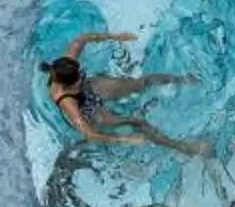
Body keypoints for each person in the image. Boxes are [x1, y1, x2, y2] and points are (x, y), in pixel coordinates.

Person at [41, 30, 207, 155]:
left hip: (91, 87)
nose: (81, 78)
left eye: (81, 75)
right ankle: (185, 147)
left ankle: (182, 79)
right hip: (88, 110)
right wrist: (124, 140)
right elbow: (90, 134)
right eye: (78, 81)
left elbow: (82, 38)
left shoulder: (68, 62)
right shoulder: (67, 103)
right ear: (65, 86)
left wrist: (115, 36)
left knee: (140, 83)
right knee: (136, 123)